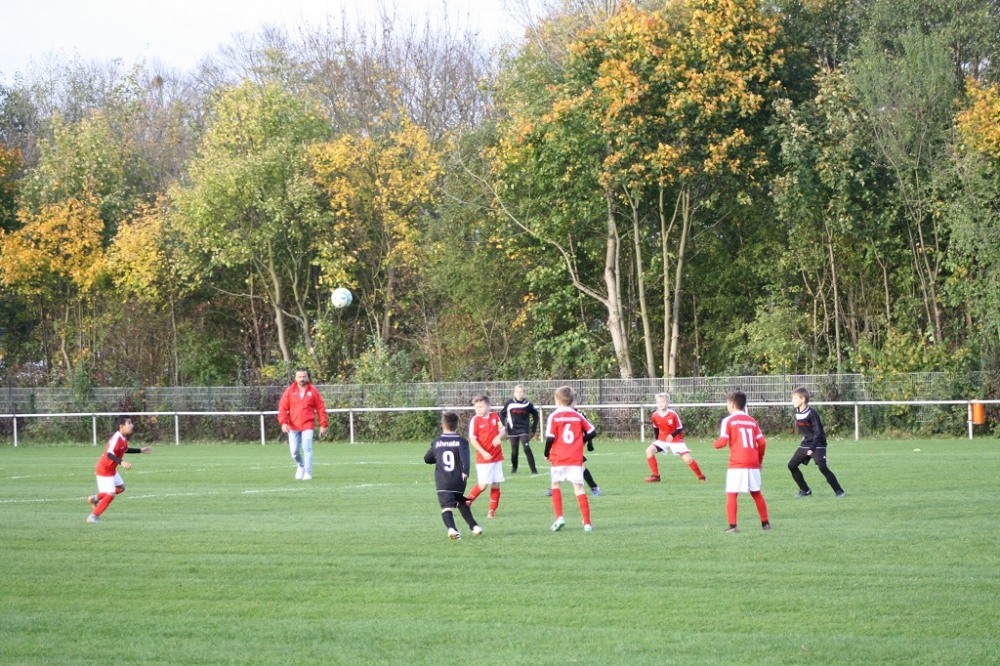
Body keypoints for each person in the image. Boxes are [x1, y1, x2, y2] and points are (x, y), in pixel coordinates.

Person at [713, 390, 770, 533]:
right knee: (756, 492)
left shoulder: (728, 420)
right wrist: (759, 461)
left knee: (732, 493)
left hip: (737, 463)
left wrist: (715, 444)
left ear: (732, 404)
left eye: (727, 403)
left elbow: (722, 442)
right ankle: (765, 523)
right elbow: (762, 442)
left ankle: (732, 526)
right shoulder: (752, 421)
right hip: (753, 462)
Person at [544, 386, 596, 532]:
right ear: (572, 400)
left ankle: (559, 517)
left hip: (559, 457)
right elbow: (592, 432)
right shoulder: (577, 416)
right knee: (578, 488)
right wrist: (581, 441)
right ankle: (587, 523)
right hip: (575, 457)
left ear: (557, 400)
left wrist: (547, 453)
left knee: (556, 484)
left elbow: (550, 438)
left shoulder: (554, 416)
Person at [424, 411, 483, 539]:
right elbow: (465, 458)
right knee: (460, 501)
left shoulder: (437, 442)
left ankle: (452, 529)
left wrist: (438, 458)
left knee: (446, 507)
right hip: (458, 479)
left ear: (443, 426)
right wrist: (466, 472)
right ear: (457, 426)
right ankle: (474, 526)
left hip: (443, 480)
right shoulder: (462, 441)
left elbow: (427, 459)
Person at [86, 415, 152, 523]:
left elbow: (125, 449)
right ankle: (93, 517)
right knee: (110, 495)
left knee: (121, 488)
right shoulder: (116, 438)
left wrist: (140, 450)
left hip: (111, 469)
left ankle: (95, 498)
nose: (132, 425)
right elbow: (109, 454)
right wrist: (122, 462)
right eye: (129, 423)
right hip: (104, 469)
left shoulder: (123, 438)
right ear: (122, 426)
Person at [789, 387, 846, 498]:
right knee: (792, 465)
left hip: (818, 443)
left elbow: (818, 432)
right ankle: (805, 490)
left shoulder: (812, 413)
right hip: (806, 443)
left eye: (795, 398)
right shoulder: (797, 412)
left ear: (803, 399)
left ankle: (839, 491)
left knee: (822, 467)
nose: (792, 401)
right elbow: (806, 431)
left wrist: (812, 448)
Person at [277, 369, 329, 480]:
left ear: (307, 377)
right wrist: (283, 423)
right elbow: (282, 408)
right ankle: (301, 465)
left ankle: (308, 473)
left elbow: (321, 408)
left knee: (307, 448)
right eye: (300, 377)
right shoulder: (289, 391)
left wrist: (323, 424)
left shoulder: (313, 391)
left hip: (308, 425)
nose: (302, 379)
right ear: (295, 378)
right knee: (294, 451)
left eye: (304, 376)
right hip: (293, 426)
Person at [644, 393, 706, 483]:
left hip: (676, 440)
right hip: (662, 440)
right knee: (649, 451)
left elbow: (680, 428)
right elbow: (656, 428)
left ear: (668, 403)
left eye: (662, 401)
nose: (660, 404)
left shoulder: (673, 414)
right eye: (658, 402)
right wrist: (657, 440)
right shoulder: (655, 415)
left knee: (688, 459)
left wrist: (672, 435)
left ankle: (701, 477)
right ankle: (656, 476)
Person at [466, 395, 506, 518]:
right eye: (476, 407)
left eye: (481, 407)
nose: (478, 409)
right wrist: (483, 452)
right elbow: (472, 439)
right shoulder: (475, 421)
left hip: (496, 456)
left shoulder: (495, 416)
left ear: (488, 406)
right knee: (482, 485)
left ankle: (492, 510)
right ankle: (467, 501)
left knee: (496, 484)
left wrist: (498, 437)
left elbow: (503, 430)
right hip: (483, 458)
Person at [500, 385, 540, 475]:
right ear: (514, 393)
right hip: (512, 429)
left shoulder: (527, 404)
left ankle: (534, 471)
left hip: (524, 429)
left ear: (524, 393)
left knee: (526, 448)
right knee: (514, 451)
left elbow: (535, 415)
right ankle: (514, 469)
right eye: (517, 392)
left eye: (521, 392)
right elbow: (502, 414)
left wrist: (533, 427)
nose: (519, 394)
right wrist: (502, 425)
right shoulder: (509, 403)